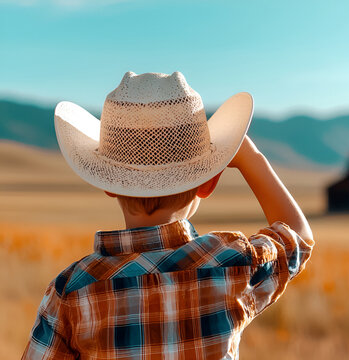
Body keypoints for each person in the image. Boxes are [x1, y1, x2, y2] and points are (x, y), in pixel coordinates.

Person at [22, 71, 314, 359]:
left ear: (107, 185)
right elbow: (298, 239)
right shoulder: (230, 263)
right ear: (208, 183)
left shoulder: (72, 289)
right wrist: (252, 159)